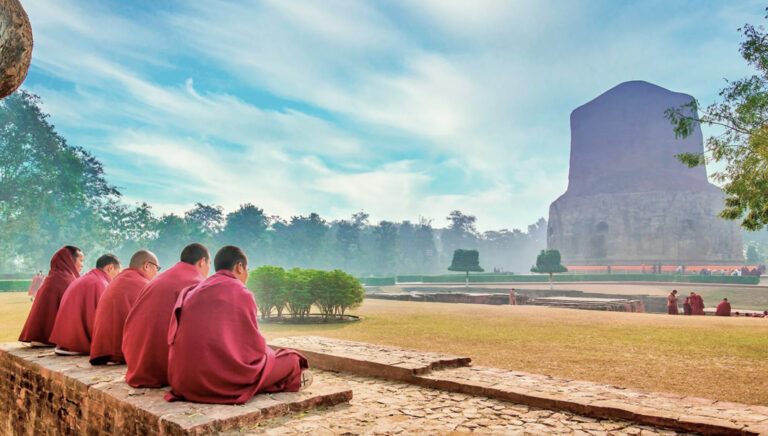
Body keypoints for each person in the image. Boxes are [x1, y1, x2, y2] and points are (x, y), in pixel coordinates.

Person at [165, 246, 310, 405]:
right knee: (292, 359)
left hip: (185, 382)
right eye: (247, 269)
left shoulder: (193, 290)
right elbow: (253, 351)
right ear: (239, 267)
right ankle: (287, 379)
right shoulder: (241, 292)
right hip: (217, 382)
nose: (247, 274)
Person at [122, 243, 210, 387]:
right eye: (209, 264)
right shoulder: (196, 283)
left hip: (136, 361)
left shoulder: (159, 278)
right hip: (160, 366)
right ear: (202, 262)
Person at [89, 250, 160, 365]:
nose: (157, 273)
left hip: (101, 349)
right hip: (121, 351)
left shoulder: (118, 279)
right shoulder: (143, 284)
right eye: (157, 268)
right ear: (147, 266)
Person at [48, 254, 121, 355]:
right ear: (110, 268)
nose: (118, 275)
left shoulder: (87, 278)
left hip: (64, 342)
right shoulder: (100, 283)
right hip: (78, 344)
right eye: (118, 271)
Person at [19, 246, 83, 346]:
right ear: (70, 261)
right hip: (49, 340)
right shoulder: (66, 280)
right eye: (81, 260)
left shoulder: (52, 277)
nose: (82, 265)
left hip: (39, 337)